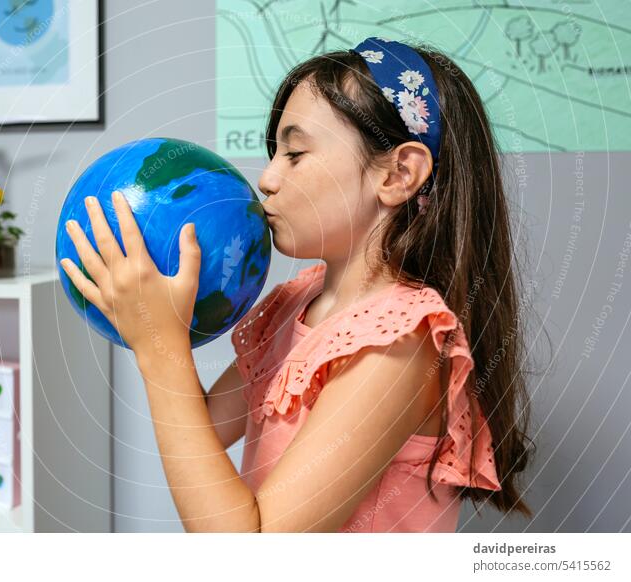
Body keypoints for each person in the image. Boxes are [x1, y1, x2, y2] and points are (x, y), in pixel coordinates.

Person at [60, 37, 534, 532]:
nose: (266, 179)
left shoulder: (399, 345)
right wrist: (154, 329)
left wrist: (163, 353)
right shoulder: (296, 302)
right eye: (274, 153)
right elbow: (205, 425)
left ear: (398, 174)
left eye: (295, 153)